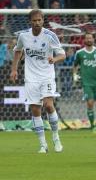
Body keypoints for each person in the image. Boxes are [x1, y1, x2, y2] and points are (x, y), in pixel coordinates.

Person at [10, 9, 65, 153]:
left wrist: (55, 59)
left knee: (48, 105)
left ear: (43, 20)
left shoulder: (50, 35)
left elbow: (62, 54)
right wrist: (14, 69)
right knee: (35, 109)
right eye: (34, 20)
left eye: (39, 20)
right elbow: (17, 51)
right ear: (30, 21)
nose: (37, 23)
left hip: (46, 75)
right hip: (31, 78)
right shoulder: (23, 36)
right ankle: (43, 144)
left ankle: (55, 137)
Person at [73, 33, 96, 132]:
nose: (89, 39)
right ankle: (92, 126)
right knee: (90, 103)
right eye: (87, 38)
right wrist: (75, 75)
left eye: (90, 38)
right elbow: (75, 66)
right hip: (87, 83)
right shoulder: (79, 53)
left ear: (93, 39)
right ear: (84, 40)